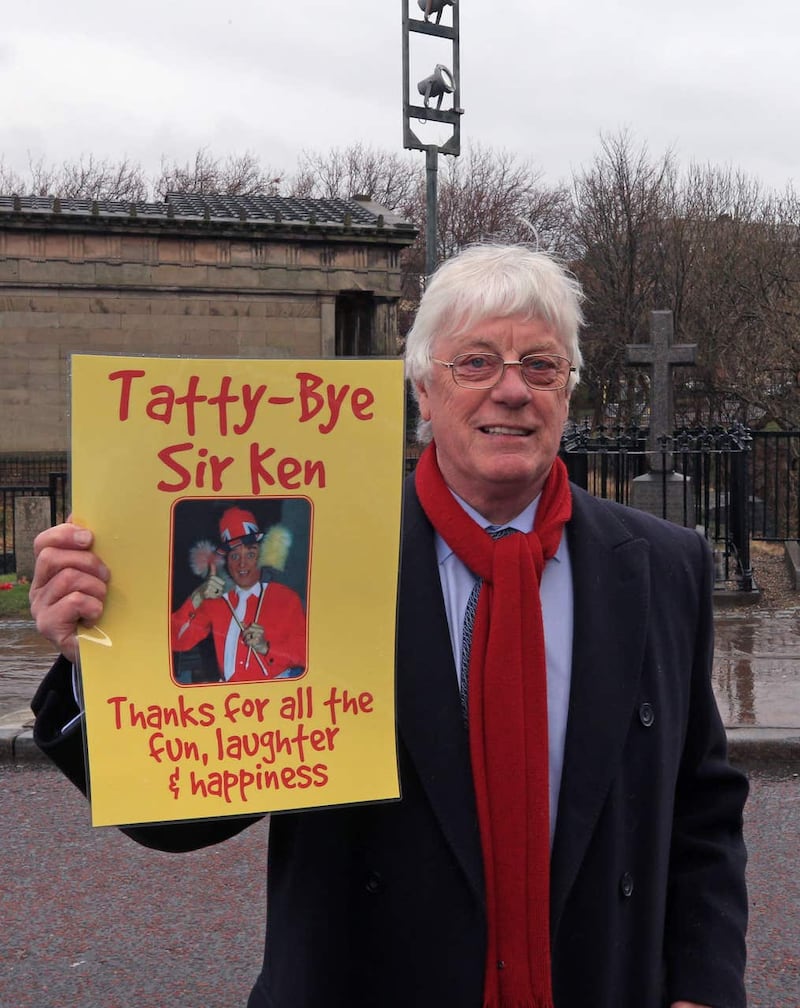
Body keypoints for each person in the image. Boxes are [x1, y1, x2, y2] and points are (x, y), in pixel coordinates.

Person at [29, 243, 748, 1008]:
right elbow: (184, 818)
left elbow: (700, 807)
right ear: (422, 391)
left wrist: (704, 985)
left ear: (567, 390)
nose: (511, 390)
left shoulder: (664, 566)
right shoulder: (321, 561)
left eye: (540, 365)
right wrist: (98, 660)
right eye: (475, 362)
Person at [171, 505, 306, 682]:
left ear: (261, 555)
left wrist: (266, 647)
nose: (242, 564)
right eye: (234, 556)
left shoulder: (287, 599)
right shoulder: (216, 602)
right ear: (225, 561)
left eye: (250, 554)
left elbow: (306, 654)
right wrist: (198, 596)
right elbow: (177, 641)